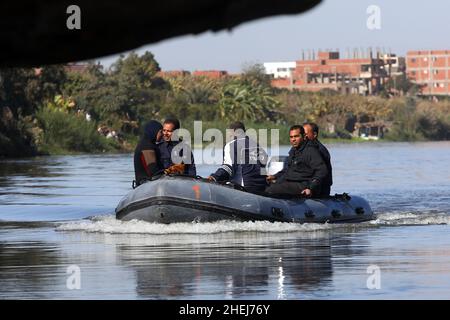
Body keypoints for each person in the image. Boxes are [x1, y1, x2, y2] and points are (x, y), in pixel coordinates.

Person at [265, 125, 328, 198]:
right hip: (289, 182)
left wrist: (310, 188)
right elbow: (287, 170)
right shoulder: (293, 151)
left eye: (296, 136)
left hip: (302, 184)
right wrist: (274, 176)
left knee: (271, 190)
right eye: (291, 137)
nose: (293, 139)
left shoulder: (311, 151)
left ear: (303, 136)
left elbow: (322, 171)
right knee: (264, 185)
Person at [207, 121, 268, 194]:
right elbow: (263, 165)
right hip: (261, 187)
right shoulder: (257, 146)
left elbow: (228, 167)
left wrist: (214, 177)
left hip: (244, 189)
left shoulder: (231, 145)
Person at [303, 122, 333, 196]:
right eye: (302, 134)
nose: (303, 136)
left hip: (320, 190)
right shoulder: (302, 149)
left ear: (314, 135)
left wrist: (310, 188)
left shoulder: (320, 151)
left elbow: (321, 174)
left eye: (306, 134)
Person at [133, 120, 163, 187]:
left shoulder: (147, 143)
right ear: (154, 131)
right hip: (146, 185)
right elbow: (153, 171)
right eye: (161, 132)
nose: (162, 134)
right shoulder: (147, 147)